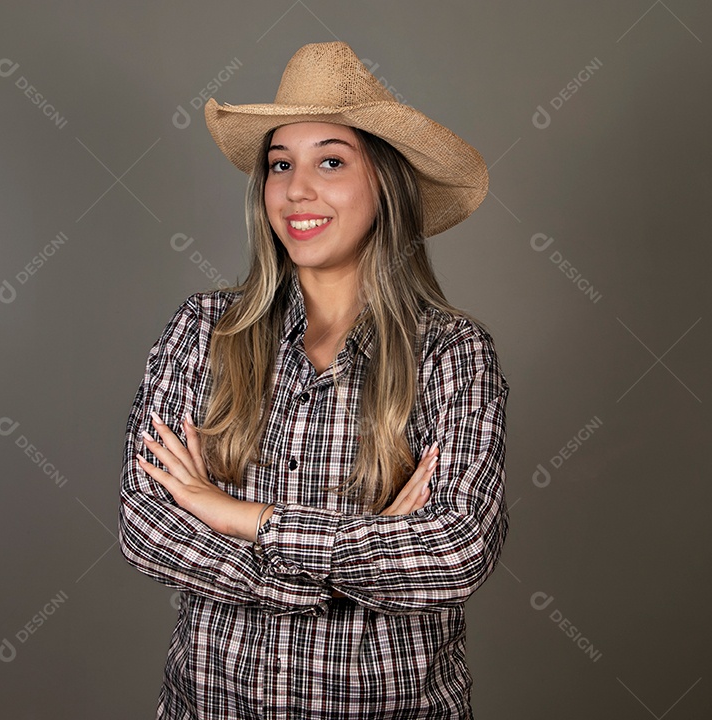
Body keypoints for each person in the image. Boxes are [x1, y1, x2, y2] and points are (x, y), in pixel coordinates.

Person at [119, 41, 509, 719]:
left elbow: (455, 550)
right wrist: (345, 564)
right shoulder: (205, 330)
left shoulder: (452, 353)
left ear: (384, 183)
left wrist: (240, 518)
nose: (297, 189)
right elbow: (146, 526)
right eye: (280, 165)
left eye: (331, 161)